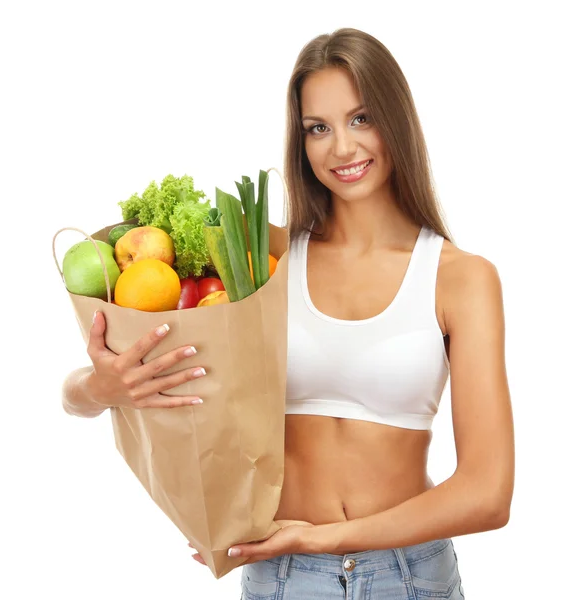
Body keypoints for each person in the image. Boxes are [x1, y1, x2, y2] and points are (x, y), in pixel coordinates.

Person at [63, 27, 515, 599]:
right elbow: (92, 391)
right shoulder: (265, 267)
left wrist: (327, 539)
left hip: (409, 577)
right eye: (317, 129)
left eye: (361, 118)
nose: (342, 148)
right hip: (282, 578)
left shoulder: (462, 278)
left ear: (396, 120)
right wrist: (101, 387)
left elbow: (488, 493)